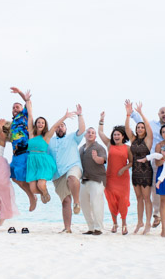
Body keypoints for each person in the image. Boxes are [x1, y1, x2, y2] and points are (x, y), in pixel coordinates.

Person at [131, 106, 165, 226]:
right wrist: (133, 113)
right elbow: (141, 123)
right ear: (158, 114)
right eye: (162, 113)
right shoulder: (152, 125)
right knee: (156, 189)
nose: (164, 114)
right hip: (156, 163)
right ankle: (157, 215)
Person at [24, 96, 72, 207]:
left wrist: (65, 117)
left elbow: (55, 125)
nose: (40, 124)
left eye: (43, 123)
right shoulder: (31, 133)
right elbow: (30, 115)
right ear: (36, 124)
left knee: (41, 184)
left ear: (45, 125)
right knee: (33, 188)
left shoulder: (46, 136)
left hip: (43, 161)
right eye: (39, 122)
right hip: (32, 161)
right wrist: (27, 101)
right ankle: (41, 193)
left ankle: (45, 192)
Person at [48, 104, 85, 234]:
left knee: (72, 177)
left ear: (66, 128)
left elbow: (82, 129)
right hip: (57, 174)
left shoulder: (72, 137)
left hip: (72, 166)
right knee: (65, 202)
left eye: (62, 126)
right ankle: (67, 228)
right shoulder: (50, 141)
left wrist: (80, 115)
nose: (60, 128)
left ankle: (77, 202)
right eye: (57, 126)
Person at [98, 114, 133, 234]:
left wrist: (124, 168)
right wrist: (101, 121)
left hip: (123, 178)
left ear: (123, 136)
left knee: (123, 200)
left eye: (118, 134)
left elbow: (132, 162)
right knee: (111, 200)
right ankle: (114, 223)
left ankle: (124, 224)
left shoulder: (127, 148)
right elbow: (101, 133)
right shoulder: (109, 145)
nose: (116, 136)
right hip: (110, 177)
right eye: (114, 134)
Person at [124, 101, 154, 234]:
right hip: (135, 172)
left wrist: (141, 113)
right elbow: (126, 129)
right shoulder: (133, 140)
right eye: (138, 127)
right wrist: (128, 115)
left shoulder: (148, 140)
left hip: (146, 171)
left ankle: (148, 223)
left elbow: (148, 126)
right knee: (138, 198)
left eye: (142, 127)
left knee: (147, 198)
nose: (140, 129)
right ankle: (139, 221)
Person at [8, 87, 36, 211]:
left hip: (25, 151)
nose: (15, 109)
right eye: (13, 107)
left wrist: (20, 92)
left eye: (17, 107)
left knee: (22, 177)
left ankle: (32, 196)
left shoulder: (24, 115)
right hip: (15, 154)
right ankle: (31, 195)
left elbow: (28, 103)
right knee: (13, 177)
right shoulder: (12, 123)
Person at [79, 127, 107, 235]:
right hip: (84, 180)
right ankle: (90, 228)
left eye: (93, 133)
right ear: (85, 135)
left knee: (96, 203)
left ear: (95, 136)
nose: (90, 134)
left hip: (97, 179)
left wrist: (96, 159)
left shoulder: (99, 148)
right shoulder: (81, 148)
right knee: (84, 204)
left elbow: (103, 160)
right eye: (88, 132)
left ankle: (98, 228)